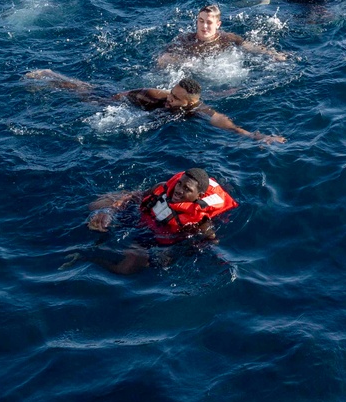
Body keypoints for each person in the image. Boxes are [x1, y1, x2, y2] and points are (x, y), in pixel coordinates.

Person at [24, 70, 287, 142]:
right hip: (129, 103)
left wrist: (255, 136)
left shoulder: (197, 111)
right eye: (171, 94)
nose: (170, 100)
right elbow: (128, 93)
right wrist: (113, 102)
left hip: (147, 117)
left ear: (190, 103)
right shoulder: (156, 95)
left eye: (176, 99)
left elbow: (224, 123)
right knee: (87, 93)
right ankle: (52, 77)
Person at [85, 167, 238, 274]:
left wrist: (175, 254)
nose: (179, 190)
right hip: (138, 218)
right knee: (94, 205)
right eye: (180, 183)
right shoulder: (162, 188)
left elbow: (211, 240)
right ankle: (100, 224)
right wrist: (110, 210)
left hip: (150, 240)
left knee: (125, 270)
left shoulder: (201, 221)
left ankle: (88, 259)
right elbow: (137, 196)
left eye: (187, 189)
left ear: (199, 195)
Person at [157, 4, 287, 67]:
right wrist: (185, 62)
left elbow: (248, 45)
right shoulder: (185, 40)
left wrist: (272, 54)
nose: (204, 26)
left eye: (209, 22)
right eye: (201, 21)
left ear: (218, 24)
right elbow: (163, 59)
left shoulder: (226, 38)